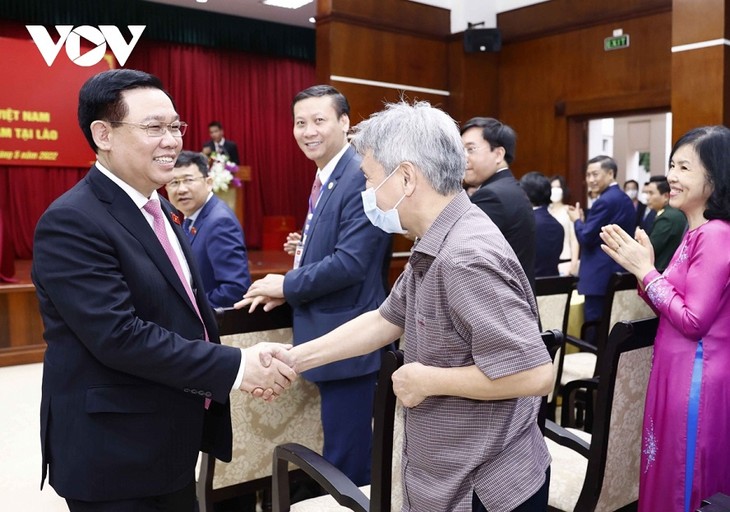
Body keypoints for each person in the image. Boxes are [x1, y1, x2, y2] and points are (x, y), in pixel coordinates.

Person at [253, 100, 553, 512]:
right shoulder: (437, 238)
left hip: (483, 487)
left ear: (407, 177)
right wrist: (293, 358)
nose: (366, 193)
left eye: (370, 178)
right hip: (448, 474)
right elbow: (384, 320)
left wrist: (430, 381)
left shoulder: (464, 256)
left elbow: (535, 374)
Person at [31, 69, 295, 511]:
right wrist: (235, 367)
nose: (172, 140)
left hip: (167, 437)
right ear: (103, 134)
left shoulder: (161, 210)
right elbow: (119, 336)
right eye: (154, 127)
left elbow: (181, 308)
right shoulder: (72, 221)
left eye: (175, 126)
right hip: (113, 453)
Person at [242, 85, 392, 487]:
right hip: (329, 334)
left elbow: (352, 263)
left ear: (345, 123)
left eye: (319, 120)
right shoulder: (329, 175)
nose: (308, 131)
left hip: (350, 339)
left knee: (349, 460)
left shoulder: (360, 175)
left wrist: (286, 284)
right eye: (300, 122)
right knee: (342, 451)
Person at [599, 125, 730, 512]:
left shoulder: (716, 236)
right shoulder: (695, 233)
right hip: (676, 369)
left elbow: (692, 320)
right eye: (672, 165)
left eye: (684, 168)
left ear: (716, 176)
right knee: (665, 469)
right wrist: (646, 269)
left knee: (683, 481)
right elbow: (666, 302)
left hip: (697, 377)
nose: (671, 176)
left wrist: (646, 271)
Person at [167, 150, 251, 307]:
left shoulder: (219, 222)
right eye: (174, 182)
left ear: (209, 182)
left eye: (188, 180)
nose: (181, 189)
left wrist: (192, 310)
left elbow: (235, 289)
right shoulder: (191, 217)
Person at [460, 117, 536, 289]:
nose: (462, 158)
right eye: (460, 150)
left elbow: (464, 256)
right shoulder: (510, 188)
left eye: (470, 149)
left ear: (499, 154)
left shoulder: (491, 196)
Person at [568, 155, 635, 331]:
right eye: (588, 175)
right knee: (609, 328)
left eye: (595, 174)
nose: (590, 180)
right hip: (616, 270)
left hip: (598, 275)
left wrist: (576, 221)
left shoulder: (604, 201)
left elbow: (586, 238)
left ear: (610, 173)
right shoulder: (624, 199)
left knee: (594, 330)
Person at [521, 172, 563, 277]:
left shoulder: (525, 222)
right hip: (553, 285)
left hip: (529, 286)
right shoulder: (558, 226)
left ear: (525, 194)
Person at [643, 175, 687, 272]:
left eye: (651, 193)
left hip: (662, 270)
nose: (647, 198)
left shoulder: (667, 218)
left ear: (666, 196)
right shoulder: (672, 213)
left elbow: (651, 249)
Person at [548, 175, 580, 276]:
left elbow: (574, 239)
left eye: (558, 187)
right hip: (548, 259)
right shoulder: (545, 211)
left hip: (566, 259)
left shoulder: (569, 210)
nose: (555, 190)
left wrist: (574, 263)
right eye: (552, 188)